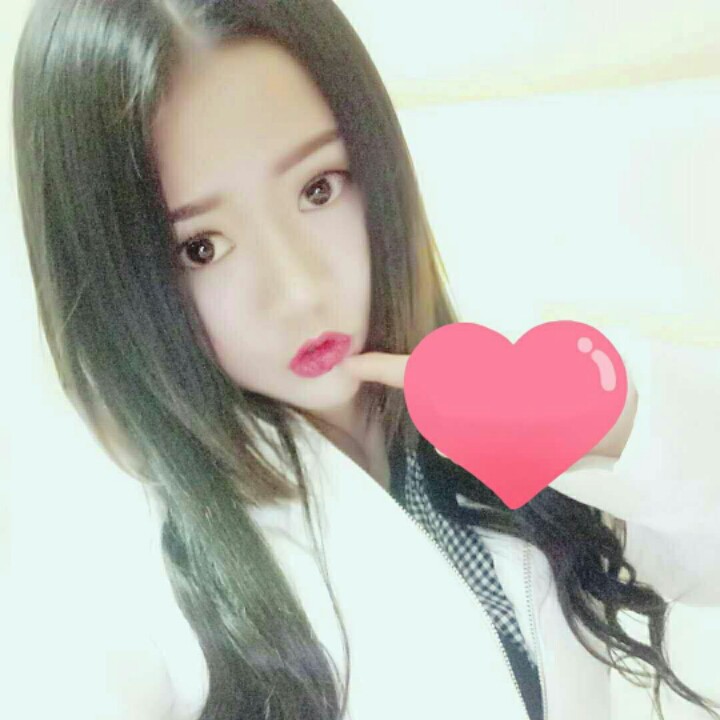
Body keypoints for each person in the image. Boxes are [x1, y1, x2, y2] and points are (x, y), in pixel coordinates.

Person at [11, 1, 720, 719]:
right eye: (201, 248)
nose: (299, 290)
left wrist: (609, 418)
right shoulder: (105, 570)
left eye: (317, 189)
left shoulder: (485, 402)